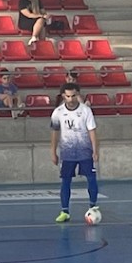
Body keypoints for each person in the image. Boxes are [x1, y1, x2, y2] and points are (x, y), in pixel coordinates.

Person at [50, 82, 99, 224]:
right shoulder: (57, 112)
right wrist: (53, 151)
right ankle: (64, 211)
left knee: (91, 178)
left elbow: (92, 131)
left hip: (85, 151)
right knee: (65, 181)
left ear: (78, 95)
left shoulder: (86, 111)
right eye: (67, 96)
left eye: (73, 96)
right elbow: (54, 133)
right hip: (67, 153)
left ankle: (93, 207)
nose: (70, 99)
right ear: (63, 96)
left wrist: (95, 150)